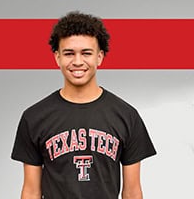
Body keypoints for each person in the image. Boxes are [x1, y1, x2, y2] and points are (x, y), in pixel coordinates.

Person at [11, 11, 156, 199]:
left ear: (100, 57)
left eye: (86, 53)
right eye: (69, 53)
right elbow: (31, 191)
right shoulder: (34, 117)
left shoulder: (127, 115)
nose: (78, 61)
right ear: (57, 57)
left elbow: (132, 192)